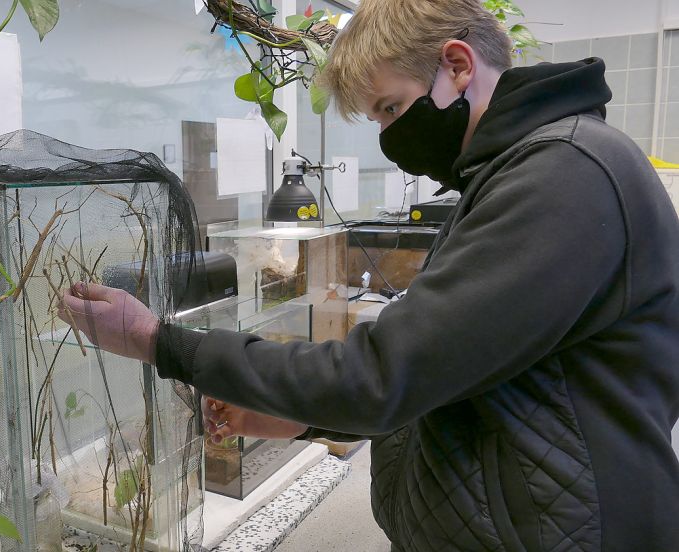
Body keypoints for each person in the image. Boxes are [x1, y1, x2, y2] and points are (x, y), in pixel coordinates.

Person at [58, 0, 679, 549]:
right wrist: (306, 418)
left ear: (458, 64)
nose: (388, 136)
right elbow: (453, 371)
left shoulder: (562, 174)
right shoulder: (511, 172)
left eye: (391, 107)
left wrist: (159, 341)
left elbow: (389, 375)